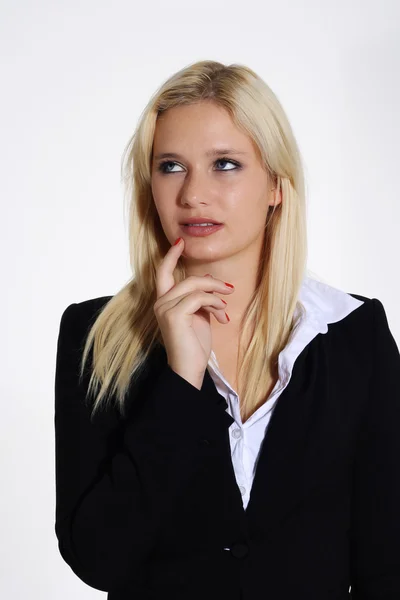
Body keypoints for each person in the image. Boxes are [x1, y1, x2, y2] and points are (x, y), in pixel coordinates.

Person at [54, 60, 400, 599]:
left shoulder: (353, 334)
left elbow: (388, 559)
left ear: (276, 187)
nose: (193, 193)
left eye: (225, 164)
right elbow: (97, 557)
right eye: (170, 166)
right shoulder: (94, 335)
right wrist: (179, 381)